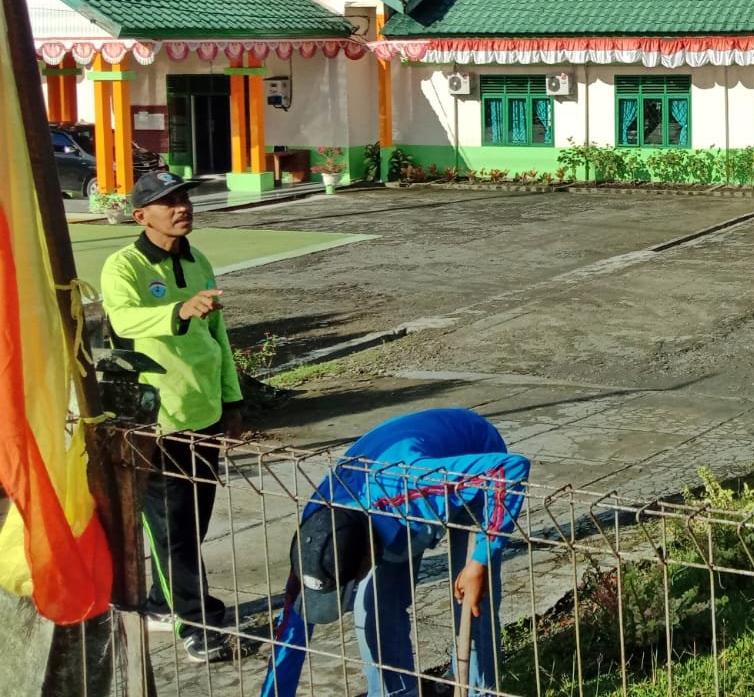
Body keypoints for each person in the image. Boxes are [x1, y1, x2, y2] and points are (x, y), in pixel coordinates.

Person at [260, 408, 531, 697]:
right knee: (373, 608)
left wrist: (482, 559)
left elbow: (507, 469)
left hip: (472, 472)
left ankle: (478, 690)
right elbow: (292, 625)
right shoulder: (317, 532)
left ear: (366, 558)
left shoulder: (418, 486)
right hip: (384, 501)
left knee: (473, 602)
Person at [101, 170, 243, 664]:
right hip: (157, 419)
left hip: (202, 411)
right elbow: (123, 319)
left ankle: (165, 601)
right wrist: (178, 310)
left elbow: (218, 334)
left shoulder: (198, 259)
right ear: (141, 216)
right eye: (168, 202)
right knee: (171, 527)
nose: (182, 207)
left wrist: (231, 397)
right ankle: (194, 623)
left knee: (194, 522)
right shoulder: (124, 265)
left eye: (184, 198)